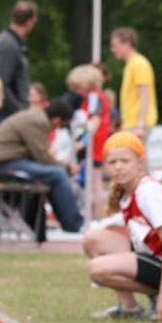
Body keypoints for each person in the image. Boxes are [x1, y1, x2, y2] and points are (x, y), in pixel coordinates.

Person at [82, 132, 162, 321]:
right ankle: (129, 307)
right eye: (112, 162)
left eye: (125, 161)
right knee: (92, 239)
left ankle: (161, 295)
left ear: (140, 163)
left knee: (96, 270)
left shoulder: (148, 192)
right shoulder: (128, 193)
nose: (118, 166)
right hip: (152, 255)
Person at [0, 101, 83, 233]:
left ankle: (66, 223)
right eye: (61, 126)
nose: (57, 129)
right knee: (58, 174)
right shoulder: (40, 122)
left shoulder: (36, 116)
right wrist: (67, 168)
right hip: (2, 163)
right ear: (57, 120)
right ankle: (73, 224)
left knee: (55, 173)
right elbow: (43, 157)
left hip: (1, 161)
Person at [67, 64, 112, 220]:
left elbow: (95, 121)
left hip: (95, 144)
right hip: (96, 142)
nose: (77, 91)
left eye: (78, 87)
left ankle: (96, 217)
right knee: (94, 181)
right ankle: (95, 216)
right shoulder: (95, 96)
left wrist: (84, 141)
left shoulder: (94, 96)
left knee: (94, 182)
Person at [0, 0, 38, 118]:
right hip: (9, 115)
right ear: (30, 22)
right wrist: (19, 109)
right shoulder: (9, 44)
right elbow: (0, 83)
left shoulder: (11, 41)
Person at [110, 27, 158, 138]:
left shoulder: (138, 64)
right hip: (131, 123)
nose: (113, 50)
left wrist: (140, 124)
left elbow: (144, 95)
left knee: (131, 150)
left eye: (115, 46)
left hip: (137, 124)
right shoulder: (131, 64)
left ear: (127, 44)